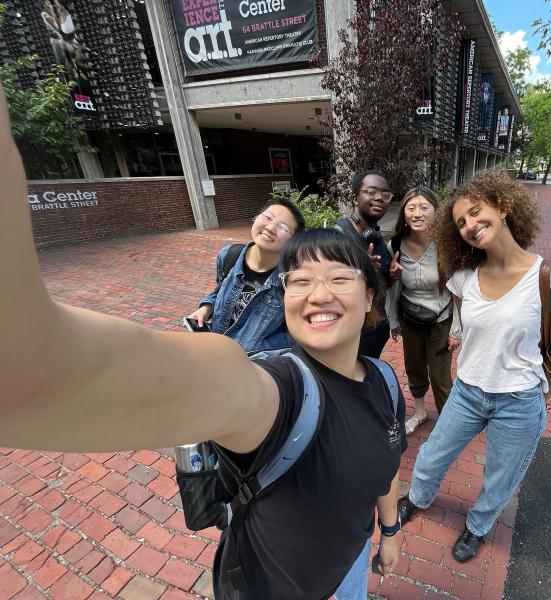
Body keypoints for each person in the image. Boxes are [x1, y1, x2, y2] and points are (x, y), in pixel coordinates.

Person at [0, 90, 405, 600]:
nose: (317, 293)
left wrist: (387, 533)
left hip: (351, 568)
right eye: (298, 281)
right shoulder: (277, 390)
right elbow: (34, 375)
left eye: (338, 278)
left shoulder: (385, 381)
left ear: (370, 293)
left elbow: (384, 466)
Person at [397, 170, 551, 563]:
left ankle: (477, 527)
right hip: (468, 391)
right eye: (461, 222)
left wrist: (543, 393)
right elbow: (472, 331)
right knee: (431, 454)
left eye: (476, 213)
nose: (470, 226)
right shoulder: (464, 279)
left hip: (519, 399)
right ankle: (416, 497)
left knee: (500, 477)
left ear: (503, 207)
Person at [385, 186, 461, 435]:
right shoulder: (395, 243)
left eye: (424, 207)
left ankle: (448, 424)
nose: (417, 213)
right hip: (410, 318)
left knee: (440, 377)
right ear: (404, 213)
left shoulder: (447, 245)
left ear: (436, 211)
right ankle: (419, 412)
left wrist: (457, 329)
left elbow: (459, 290)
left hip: (441, 319)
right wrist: (393, 320)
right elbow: (393, 286)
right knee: (414, 367)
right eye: (411, 208)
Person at [187, 198, 304, 353]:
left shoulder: (291, 280)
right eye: (268, 217)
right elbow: (220, 291)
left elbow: (298, 334)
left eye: (283, 227)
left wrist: (257, 347)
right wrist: (206, 308)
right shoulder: (229, 255)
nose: (270, 227)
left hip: (252, 366)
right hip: (214, 352)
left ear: (293, 240)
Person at [335, 169, 400, 358]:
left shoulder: (376, 238)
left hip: (376, 332)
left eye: (385, 194)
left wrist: (391, 277)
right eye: (371, 192)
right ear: (355, 198)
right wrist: (358, 271)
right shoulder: (338, 238)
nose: (380, 197)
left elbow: (381, 287)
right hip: (352, 337)